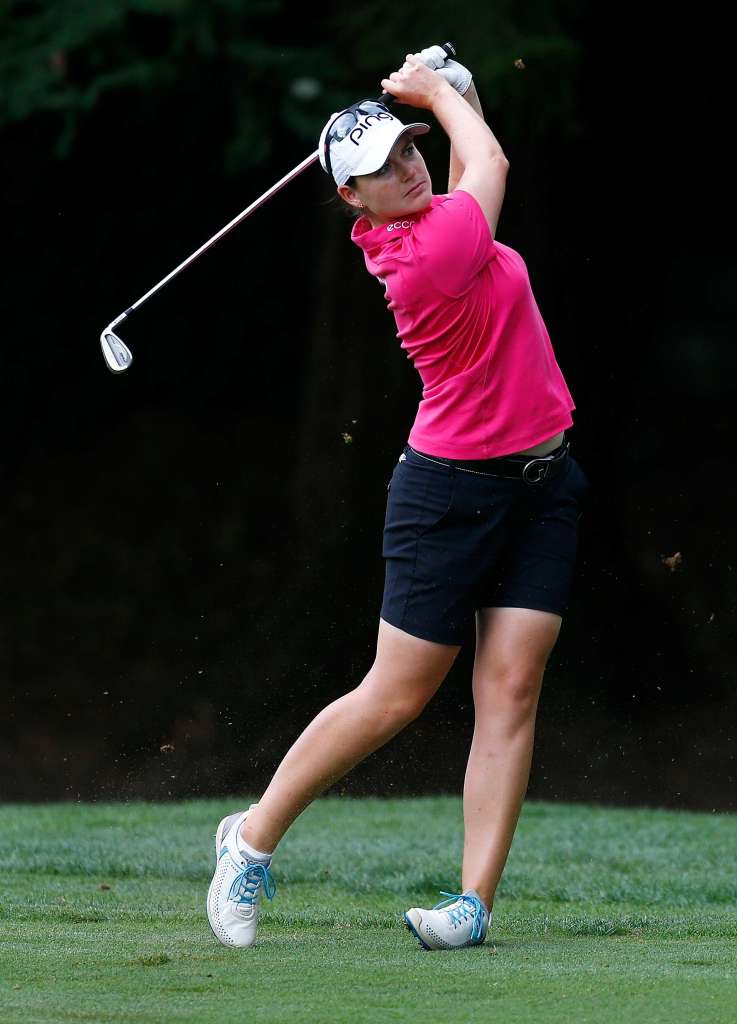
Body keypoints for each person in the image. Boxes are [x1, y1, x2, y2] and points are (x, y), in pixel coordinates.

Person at [207, 45, 589, 952]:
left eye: (410, 149)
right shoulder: (421, 259)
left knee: (511, 688)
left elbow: (468, 157)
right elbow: (487, 162)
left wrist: (452, 93)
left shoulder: (444, 220)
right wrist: (434, 93)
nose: (408, 168)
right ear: (352, 198)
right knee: (396, 696)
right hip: (447, 493)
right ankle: (248, 840)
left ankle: (471, 906)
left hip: (543, 483)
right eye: (382, 168)